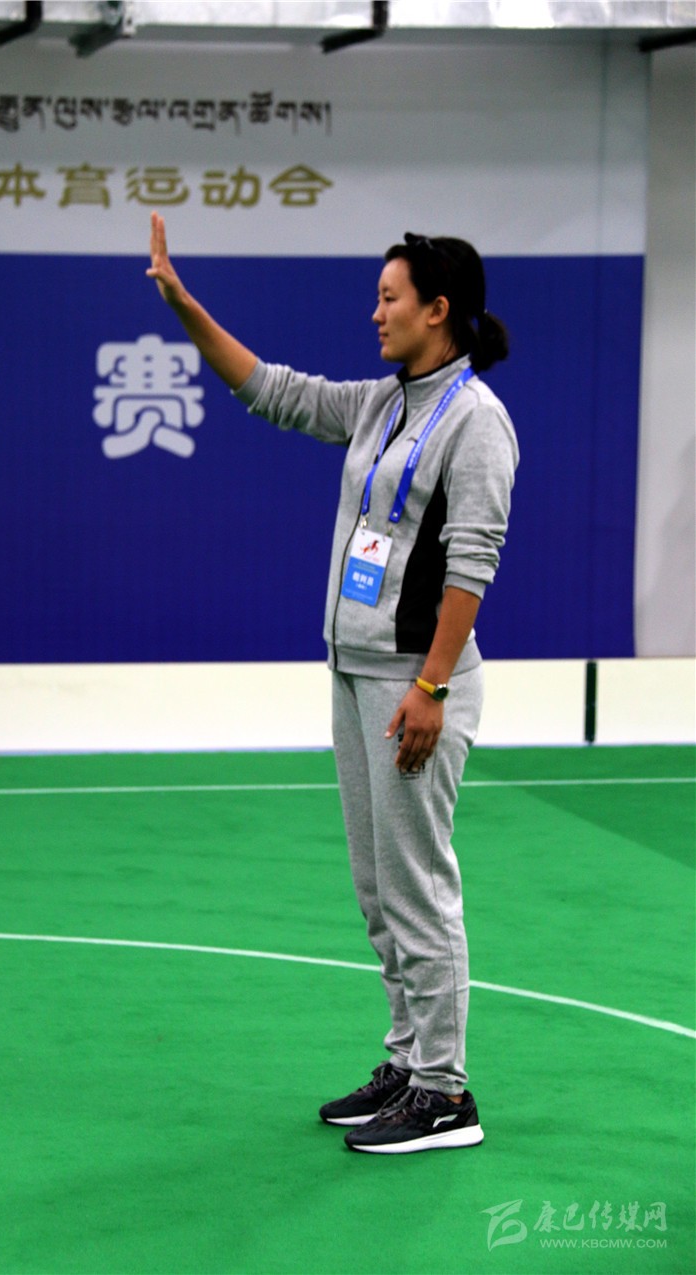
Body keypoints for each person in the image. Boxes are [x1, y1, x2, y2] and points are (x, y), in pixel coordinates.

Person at [147, 213, 518, 1155]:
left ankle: (446, 1092)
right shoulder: (383, 403)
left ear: (438, 311)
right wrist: (184, 305)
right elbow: (271, 390)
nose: (375, 313)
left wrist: (432, 687)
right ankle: (407, 1059)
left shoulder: (476, 420)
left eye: (390, 298)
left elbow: (472, 563)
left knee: (418, 885)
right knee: (377, 887)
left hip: (415, 686)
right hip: (357, 675)